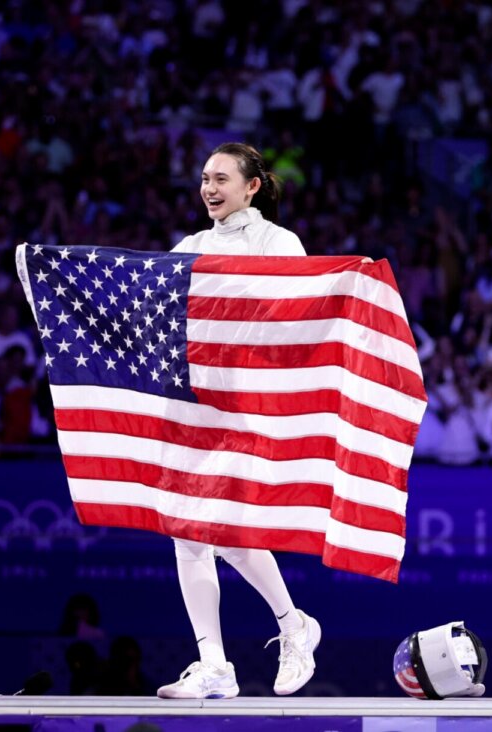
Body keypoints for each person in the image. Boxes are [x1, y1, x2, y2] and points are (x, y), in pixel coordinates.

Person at [158, 142, 321, 700]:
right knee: (188, 532)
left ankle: (292, 624)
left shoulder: (281, 243)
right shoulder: (192, 246)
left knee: (224, 526)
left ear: (252, 186)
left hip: (249, 404)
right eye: (204, 178)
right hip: (196, 404)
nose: (209, 188)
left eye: (221, 179)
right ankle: (216, 664)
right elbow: (161, 309)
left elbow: (295, 319)